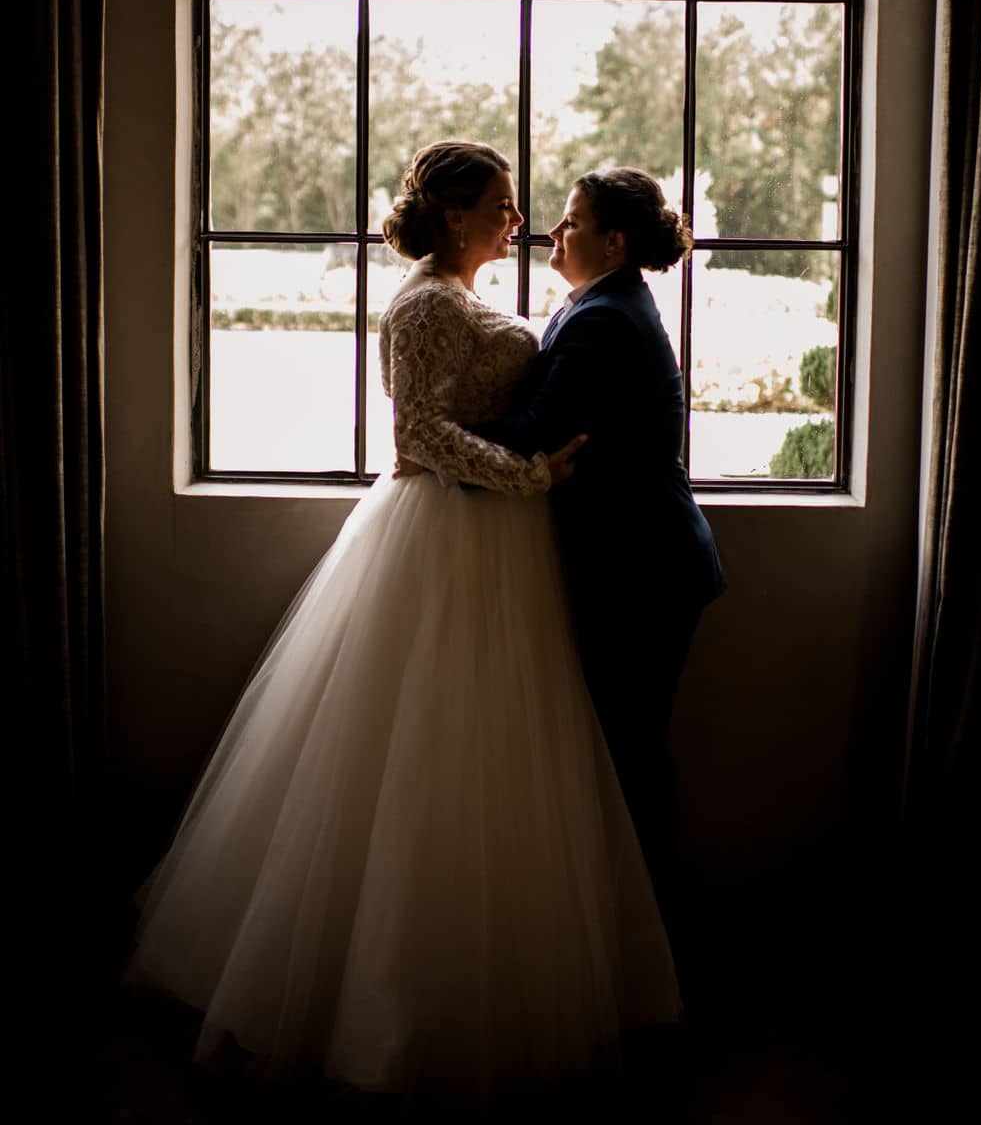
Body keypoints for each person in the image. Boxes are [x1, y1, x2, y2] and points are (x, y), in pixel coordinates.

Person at [125, 141, 681, 1108]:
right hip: (447, 534)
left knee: (500, 755)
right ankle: (389, 1000)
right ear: (459, 214)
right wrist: (529, 476)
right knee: (419, 750)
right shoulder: (425, 302)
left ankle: (489, 974)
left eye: (523, 205)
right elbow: (418, 432)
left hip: (500, 545)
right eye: (504, 204)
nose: (521, 218)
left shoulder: (466, 296)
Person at [469, 168, 727, 975]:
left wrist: (442, 433)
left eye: (572, 222)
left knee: (628, 759)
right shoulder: (597, 307)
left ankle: (648, 956)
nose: (553, 231)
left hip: (641, 571)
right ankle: (632, 947)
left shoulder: (604, 322)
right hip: (638, 563)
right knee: (621, 754)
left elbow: (543, 428)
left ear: (613, 243)